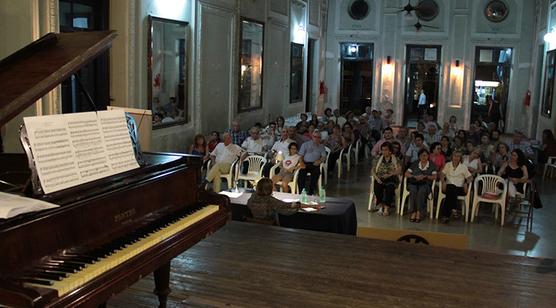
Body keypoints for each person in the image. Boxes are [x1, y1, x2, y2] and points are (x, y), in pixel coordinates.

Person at [439, 151, 473, 224]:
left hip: (460, 188)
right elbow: (442, 174)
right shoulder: (448, 165)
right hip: (447, 187)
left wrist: (466, 183)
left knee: (451, 189)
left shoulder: (463, 167)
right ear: (452, 157)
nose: (456, 158)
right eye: (455, 156)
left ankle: (446, 215)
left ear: (460, 158)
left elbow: (470, 177)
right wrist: (443, 182)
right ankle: (454, 209)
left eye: (458, 156)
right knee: (451, 187)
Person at [405, 149, 437, 223]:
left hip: (425, 184)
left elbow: (435, 176)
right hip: (414, 183)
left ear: (428, 156)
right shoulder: (415, 163)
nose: (423, 157)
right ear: (419, 156)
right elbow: (406, 173)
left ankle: (419, 212)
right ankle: (413, 212)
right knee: (413, 190)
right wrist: (414, 176)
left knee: (421, 191)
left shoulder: (431, 165)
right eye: (422, 155)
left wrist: (425, 176)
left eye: (425, 155)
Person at [371, 142, 402, 216]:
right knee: (377, 186)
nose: (383, 152)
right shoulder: (379, 159)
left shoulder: (396, 159)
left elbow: (399, 170)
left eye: (385, 150)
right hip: (380, 178)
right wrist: (376, 178)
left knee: (389, 188)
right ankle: (380, 206)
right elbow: (373, 170)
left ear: (390, 151)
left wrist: (390, 174)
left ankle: (386, 208)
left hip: (391, 178)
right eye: (382, 150)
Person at [298, 130, 327, 195]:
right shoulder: (305, 144)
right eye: (315, 137)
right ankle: (301, 192)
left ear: (320, 139)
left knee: (316, 173)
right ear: (312, 137)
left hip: (315, 163)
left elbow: (324, 157)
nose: (316, 138)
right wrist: (301, 163)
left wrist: (319, 161)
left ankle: (311, 192)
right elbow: (300, 156)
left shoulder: (321, 147)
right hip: (305, 163)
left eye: (318, 137)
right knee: (301, 173)